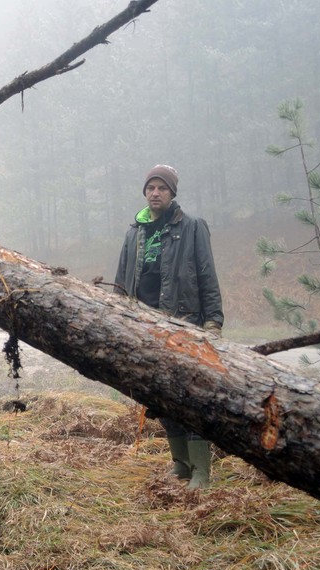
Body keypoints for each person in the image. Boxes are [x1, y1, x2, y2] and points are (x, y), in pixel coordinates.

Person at [114, 165, 223, 490]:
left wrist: (213, 322)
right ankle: (181, 464)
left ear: (172, 193)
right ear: (144, 193)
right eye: (151, 188)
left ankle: (201, 471)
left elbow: (207, 276)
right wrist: (116, 321)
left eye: (162, 188)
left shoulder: (191, 227)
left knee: (192, 399)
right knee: (162, 398)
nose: (155, 193)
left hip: (185, 326)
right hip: (145, 331)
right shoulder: (134, 233)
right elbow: (121, 284)